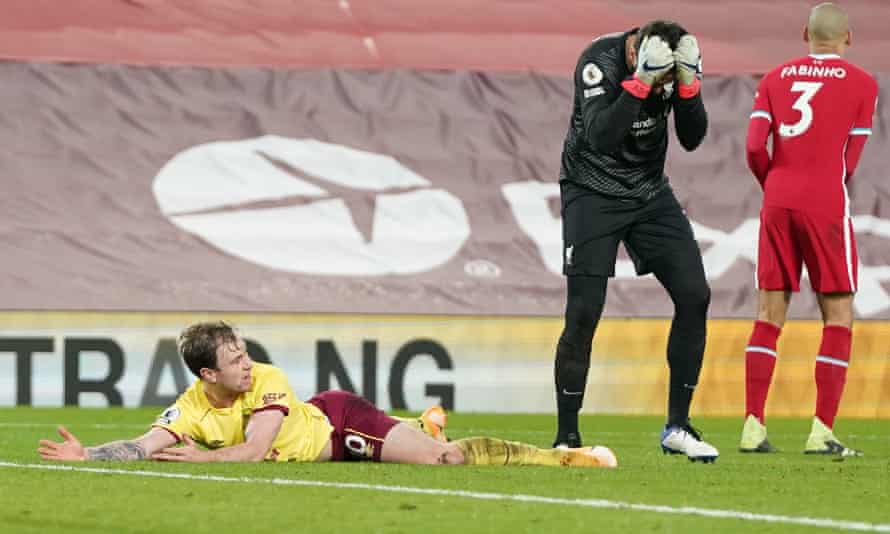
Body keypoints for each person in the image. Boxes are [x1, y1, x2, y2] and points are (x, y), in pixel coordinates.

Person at [38, 321, 617, 469]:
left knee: (449, 460)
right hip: (328, 443)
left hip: (339, 424)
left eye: (243, 351)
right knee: (431, 447)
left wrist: (208, 457)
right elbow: (146, 443)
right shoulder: (191, 407)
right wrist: (88, 454)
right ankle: (425, 425)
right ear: (205, 376)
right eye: (233, 359)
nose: (246, 362)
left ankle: (565, 456)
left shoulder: (266, 380)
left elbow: (257, 450)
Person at [552, 20, 717, 462]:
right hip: (591, 191)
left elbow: (692, 137)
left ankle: (677, 428)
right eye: (659, 73)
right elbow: (601, 137)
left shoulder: (673, 68)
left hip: (648, 193)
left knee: (695, 295)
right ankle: (567, 436)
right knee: (584, 312)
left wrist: (688, 86)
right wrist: (642, 80)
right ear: (635, 53)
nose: (662, 81)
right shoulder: (598, 62)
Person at [740, 2, 877, 456]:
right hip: (824, 201)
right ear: (848, 39)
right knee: (837, 315)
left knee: (767, 315)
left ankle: (753, 426)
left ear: (805, 34)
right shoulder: (863, 84)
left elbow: (755, 146)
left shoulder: (774, 78)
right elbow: (850, 161)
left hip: (777, 199)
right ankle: (821, 431)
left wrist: (775, 184)